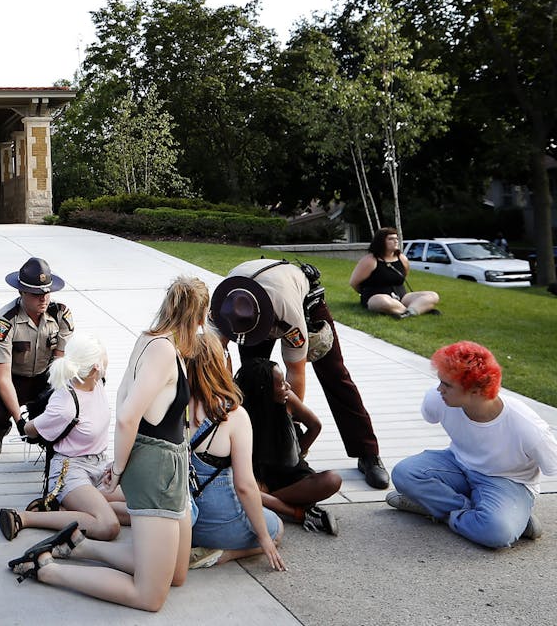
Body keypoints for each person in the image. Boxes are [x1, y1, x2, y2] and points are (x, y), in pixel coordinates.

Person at [9, 276, 201, 613]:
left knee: (178, 575)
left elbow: (124, 395)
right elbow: (128, 414)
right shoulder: (162, 350)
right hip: (156, 468)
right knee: (150, 596)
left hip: (170, 464)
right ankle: (48, 569)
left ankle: (80, 546)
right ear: (197, 315)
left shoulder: (153, 341)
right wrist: (120, 469)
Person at [213, 258, 391, 490]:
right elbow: (214, 359)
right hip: (253, 303)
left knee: (335, 375)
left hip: (304, 303)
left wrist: (291, 430)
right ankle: (257, 455)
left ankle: (367, 452)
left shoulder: (289, 315)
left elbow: (295, 372)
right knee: (254, 380)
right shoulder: (222, 308)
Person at [386, 341, 557, 548]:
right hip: (458, 465)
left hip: (507, 481)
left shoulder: (527, 426)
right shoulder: (438, 398)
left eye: (447, 385)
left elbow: (552, 465)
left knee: (498, 533)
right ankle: (489, 516)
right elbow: (432, 411)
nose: (439, 389)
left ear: (476, 391)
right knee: (404, 473)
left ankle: (440, 509)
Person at [0, 331, 121, 543]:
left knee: (142, 507)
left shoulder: (98, 383)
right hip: (70, 470)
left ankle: (66, 509)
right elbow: (30, 429)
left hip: (100, 465)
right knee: (108, 526)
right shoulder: (64, 404)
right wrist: (21, 422)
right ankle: (25, 518)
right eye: (104, 355)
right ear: (96, 367)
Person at [185, 330, 286, 571]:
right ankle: (224, 555)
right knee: (277, 528)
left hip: (185, 522)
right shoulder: (234, 415)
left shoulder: (173, 406)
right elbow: (244, 485)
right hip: (220, 522)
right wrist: (264, 538)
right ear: (221, 364)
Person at [0, 257, 74, 458]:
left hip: (44, 376)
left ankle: (49, 439)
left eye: (47, 292)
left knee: (65, 408)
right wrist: (20, 422)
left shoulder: (60, 315)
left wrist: (50, 401)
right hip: (12, 377)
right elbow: (2, 377)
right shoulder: (5, 321)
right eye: (36, 294)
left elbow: (60, 363)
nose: (43, 299)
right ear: (21, 292)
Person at [234, 357, 342, 533]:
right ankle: (298, 512)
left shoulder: (288, 399)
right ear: (264, 389)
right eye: (282, 383)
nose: (288, 387)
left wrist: (300, 452)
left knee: (332, 480)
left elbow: (315, 426)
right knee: (242, 489)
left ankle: (267, 501)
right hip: (259, 475)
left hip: (292, 478)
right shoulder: (240, 411)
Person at [348, 228, 440, 318]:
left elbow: (404, 276)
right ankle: (416, 309)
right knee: (383, 301)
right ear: (381, 242)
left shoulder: (402, 258)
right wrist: (364, 294)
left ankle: (409, 311)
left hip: (401, 297)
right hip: (376, 297)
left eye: (396, 238)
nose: (395, 241)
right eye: (391, 239)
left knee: (433, 295)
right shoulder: (370, 260)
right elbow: (354, 283)